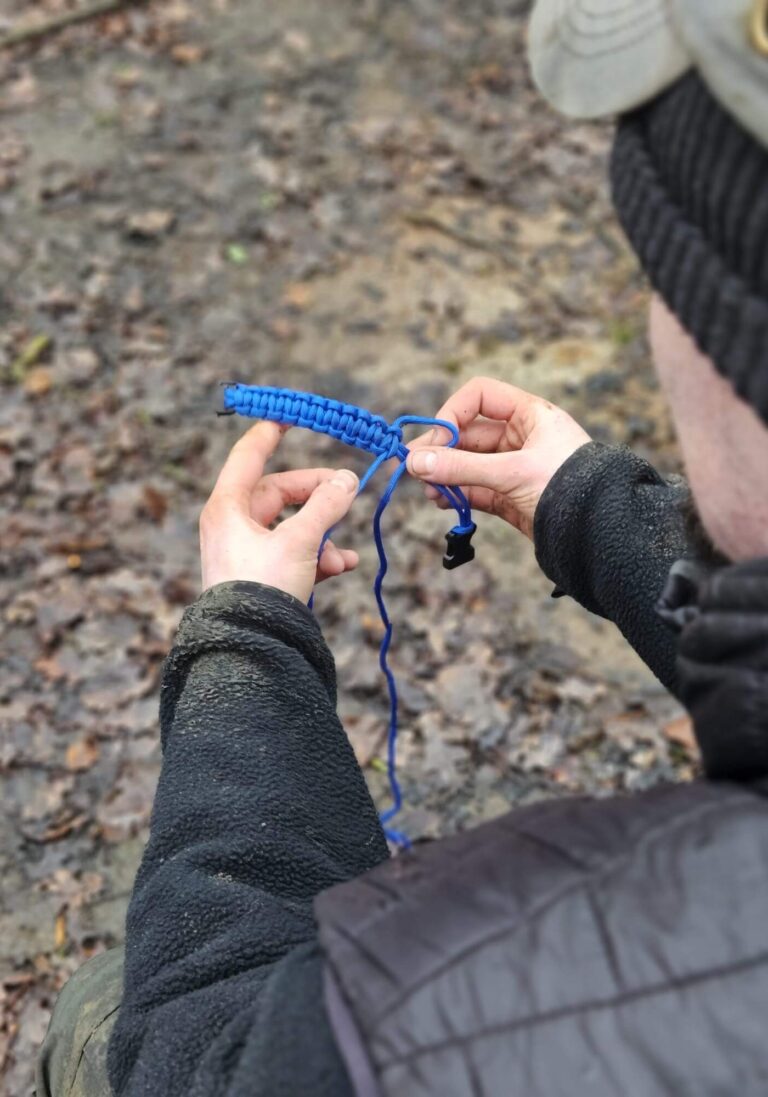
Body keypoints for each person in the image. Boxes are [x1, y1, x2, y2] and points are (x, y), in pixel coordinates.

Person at [38, 0, 768, 1094]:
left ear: (733, 345)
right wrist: (594, 508)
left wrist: (244, 637)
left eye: (666, 286)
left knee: (109, 1013)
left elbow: (208, 1049)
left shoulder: (538, 1009)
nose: (660, 328)